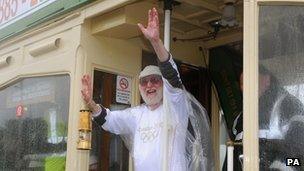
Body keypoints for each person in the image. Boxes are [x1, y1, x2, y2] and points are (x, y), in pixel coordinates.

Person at [81, 8, 213, 171]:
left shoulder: (176, 106)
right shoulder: (136, 115)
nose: (149, 85)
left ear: (164, 85)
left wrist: (156, 42)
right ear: (139, 87)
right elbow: (109, 120)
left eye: (155, 80)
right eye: (144, 82)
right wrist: (91, 104)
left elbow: (172, 76)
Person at [232, 67, 304, 171]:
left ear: (267, 80)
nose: (244, 88)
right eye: (242, 84)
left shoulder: (290, 106)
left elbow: (299, 157)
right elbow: (233, 157)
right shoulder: (240, 118)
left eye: (249, 81)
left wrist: (279, 168)